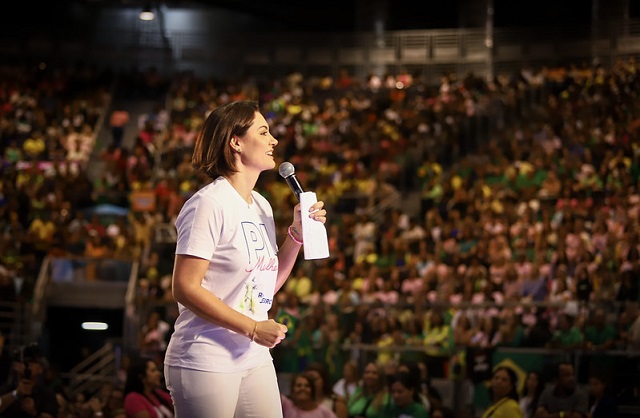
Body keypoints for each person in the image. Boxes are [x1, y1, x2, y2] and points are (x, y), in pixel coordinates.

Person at [163, 100, 328, 418]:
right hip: (205, 356)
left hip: (254, 356)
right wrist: (252, 328)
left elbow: (265, 287)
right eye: (263, 131)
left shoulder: (262, 206)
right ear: (235, 142)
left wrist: (295, 235)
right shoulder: (208, 204)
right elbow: (184, 287)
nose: (274, 141)